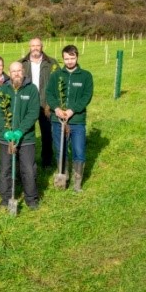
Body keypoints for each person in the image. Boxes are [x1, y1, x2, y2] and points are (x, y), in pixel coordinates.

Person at [46, 45, 94, 192]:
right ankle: (63, 177)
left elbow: (87, 96)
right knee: (60, 149)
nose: (69, 61)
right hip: (58, 120)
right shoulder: (56, 75)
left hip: (77, 121)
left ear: (77, 57)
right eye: (66, 58)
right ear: (63, 59)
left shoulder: (85, 76)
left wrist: (73, 110)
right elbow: (49, 94)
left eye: (72, 58)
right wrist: (57, 109)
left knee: (78, 150)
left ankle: (77, 183)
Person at [0, 62, 41, 211]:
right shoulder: (3, 90)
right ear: (9, 72)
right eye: (13, 71)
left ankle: (31, 198)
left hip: (26, 138)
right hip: (6, 139)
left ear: (23, 71)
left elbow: (33, 112)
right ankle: (6, 198)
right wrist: (5, 131)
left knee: (28, 169)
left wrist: (20, 130)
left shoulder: (32, 89)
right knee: (6, 169)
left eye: (19, 71)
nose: (16, 73)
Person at [20, 37, 59, 168]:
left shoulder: (51, 63)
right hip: (27, 105)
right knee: (25, 133)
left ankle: (47, 161)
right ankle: (25, 161)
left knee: (47, 134)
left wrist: (52, 103)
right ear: (29, 47)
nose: (35, 48)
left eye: (38, 45)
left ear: (42, 47)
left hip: (45, 104)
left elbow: (59, 83)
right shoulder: (22, 63)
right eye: (33, 46)